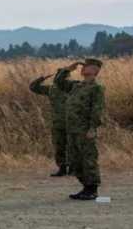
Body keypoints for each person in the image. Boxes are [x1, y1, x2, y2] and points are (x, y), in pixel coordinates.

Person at [55, 58, 105, 200]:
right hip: (72, 130)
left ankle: (92, 189)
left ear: (95, 70)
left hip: (84, 130)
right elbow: (58, 83)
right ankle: (85, 187)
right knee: (75, 160)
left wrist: (92, 128)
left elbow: (97, 110)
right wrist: (67, 70)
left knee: (88, 159)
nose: (82, 68)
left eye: (87, 66)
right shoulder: (76, 86)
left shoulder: (96, 88)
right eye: (83, 66)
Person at [29, 72, 70, 176]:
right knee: (59, 146)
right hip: (58, 122)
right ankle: (62, 168)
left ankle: (74, 168)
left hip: (73, 122)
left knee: (73, 146)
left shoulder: (73, 88)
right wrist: (43, 77)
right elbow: (33, 87)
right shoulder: (52, 89)